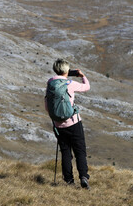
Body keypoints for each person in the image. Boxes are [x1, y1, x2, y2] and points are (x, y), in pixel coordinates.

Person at [45, 58, 91, 189]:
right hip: (74, 122)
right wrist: (83, 76)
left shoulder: (50, 83)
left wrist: (56, 118)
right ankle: (83, 177)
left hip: (58, 125)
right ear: (67, 70)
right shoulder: (70, 83)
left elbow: (47, 105)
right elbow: (87, 87)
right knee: (80, 151)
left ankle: (69, 181)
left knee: (65, 152)